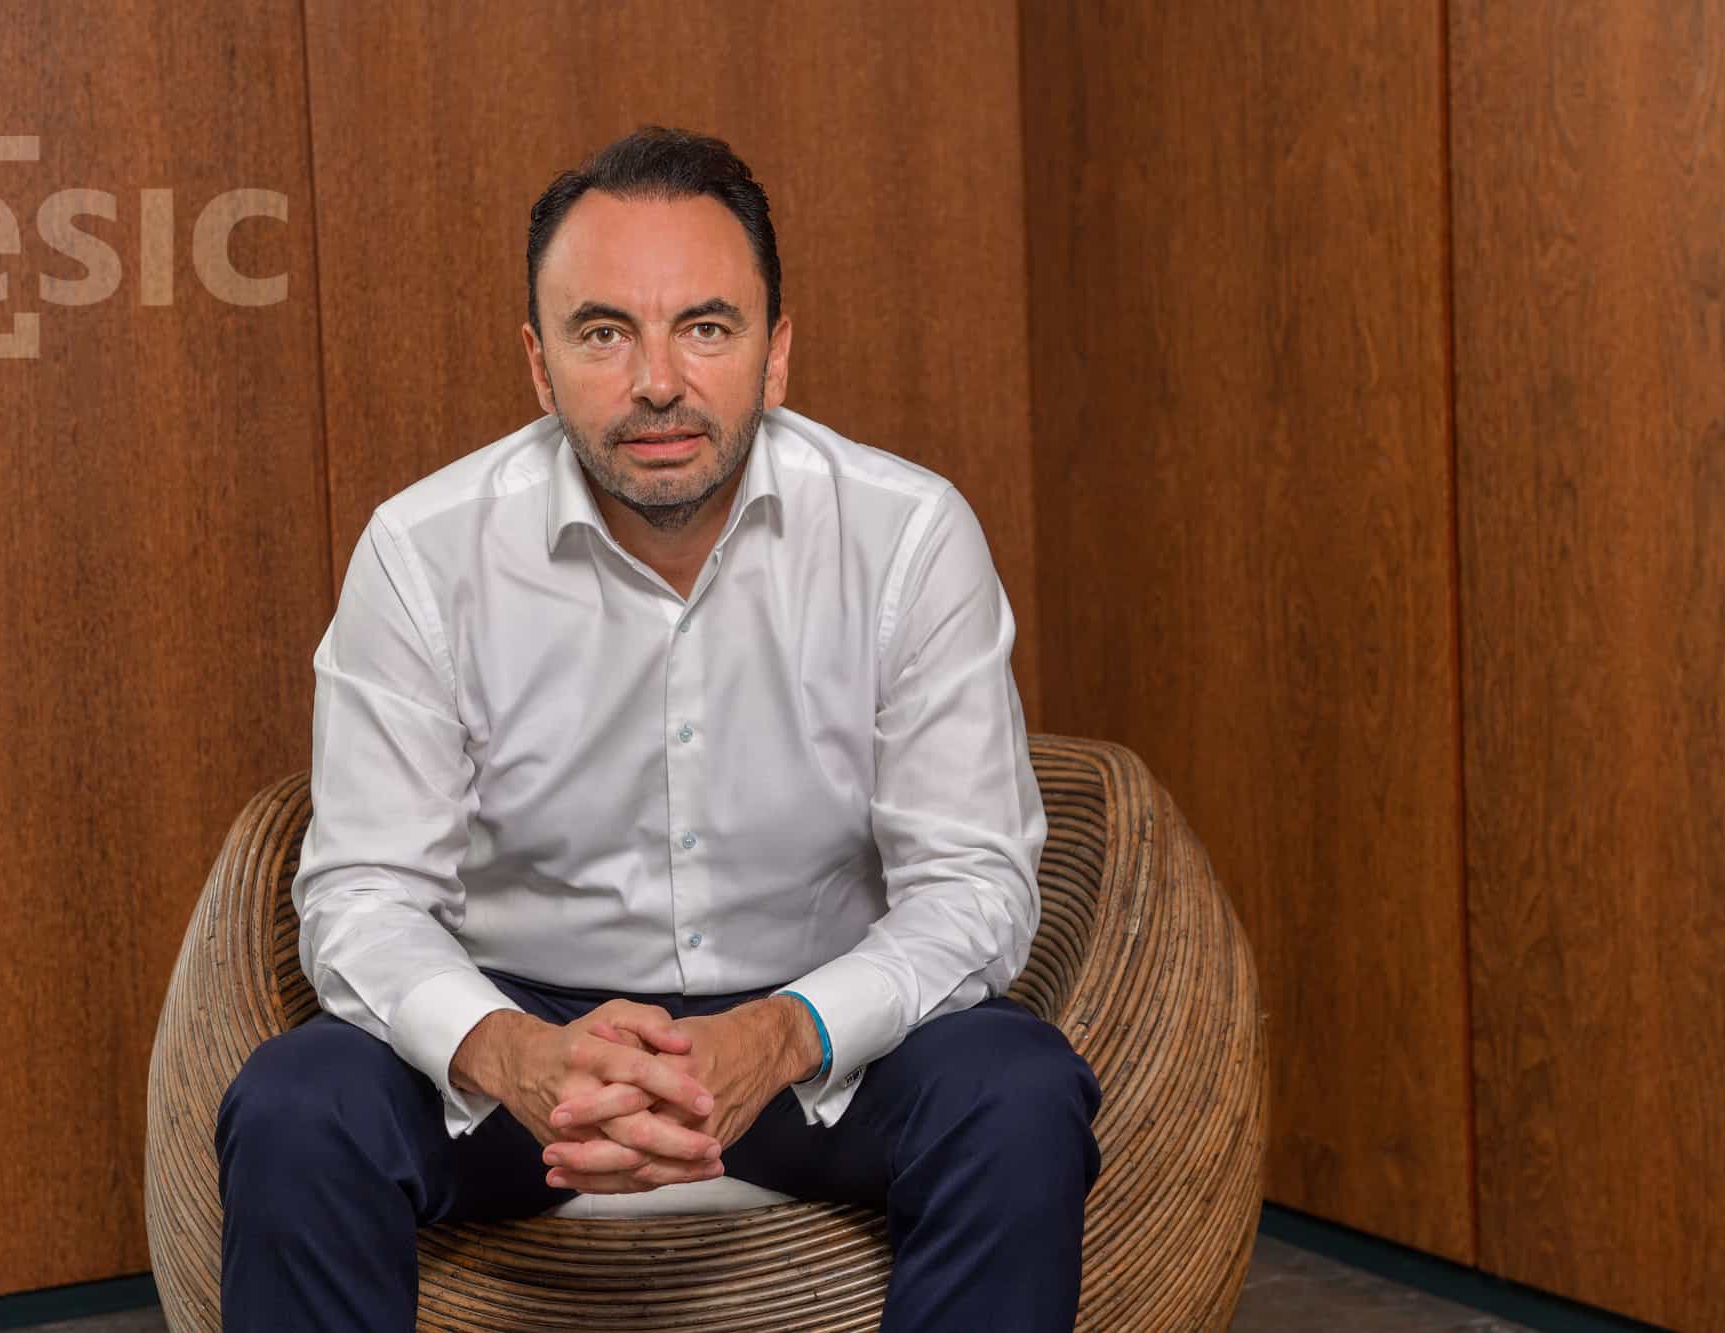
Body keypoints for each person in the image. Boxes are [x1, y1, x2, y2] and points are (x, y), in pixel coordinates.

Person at [214, 126, 1101, 1332]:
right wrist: (512, 1052)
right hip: (521, 1029)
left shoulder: (907, 535)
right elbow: (362, 893)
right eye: (602, 333)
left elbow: (974, 885)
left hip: (815, 1027)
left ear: (774, 355)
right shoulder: (422, 552)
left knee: (1016, 1093)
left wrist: (782, 1035)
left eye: (706, 327)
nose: (658, 382)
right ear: (538, 366)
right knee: (296, 1107)